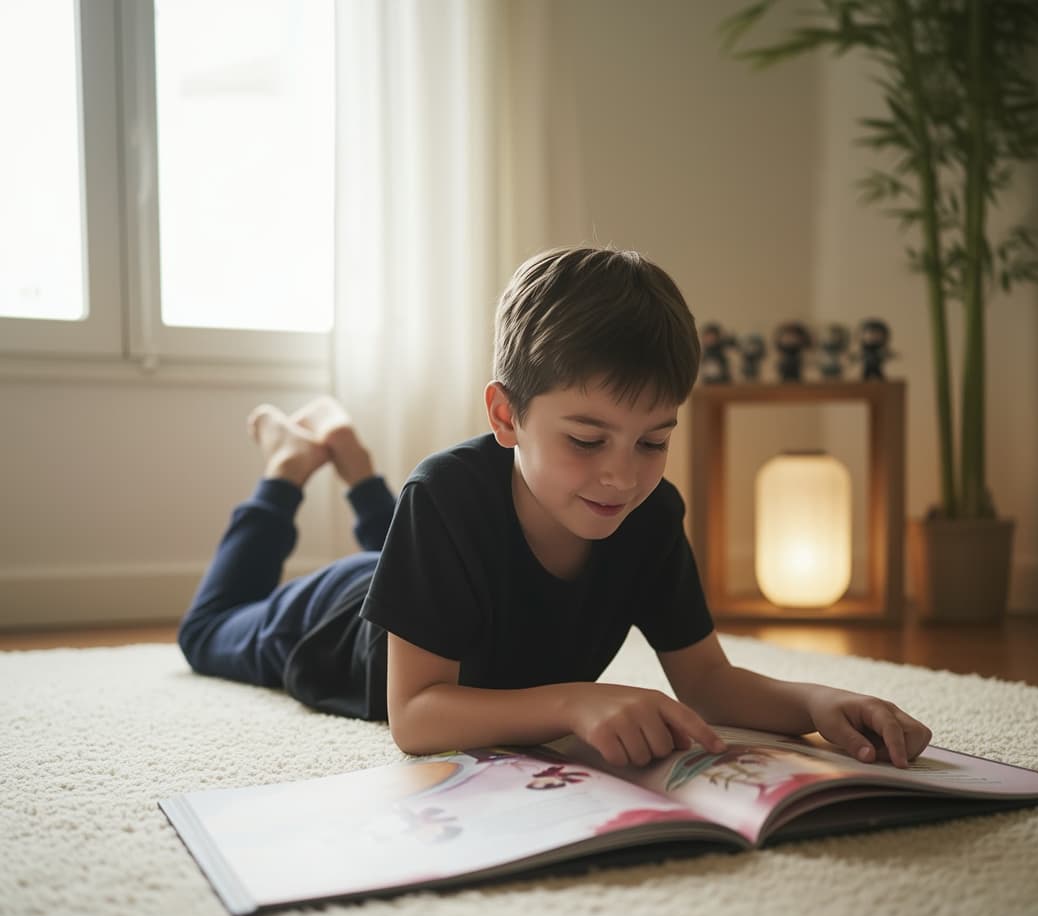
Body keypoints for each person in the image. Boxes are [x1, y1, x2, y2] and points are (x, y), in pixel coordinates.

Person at [179, 246, 931, 769]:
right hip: (337, 623)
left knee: (420, 553)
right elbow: (415, 717)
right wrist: (578, 702)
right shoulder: (442, 495)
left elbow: (708, 682)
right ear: (505, 418)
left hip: (434, 576)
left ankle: (354, 463)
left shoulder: (650, 516)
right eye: (587, 439)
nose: (621, 477)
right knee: (207, 631)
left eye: (652, 442)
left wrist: (819, 699)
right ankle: (288, 464)